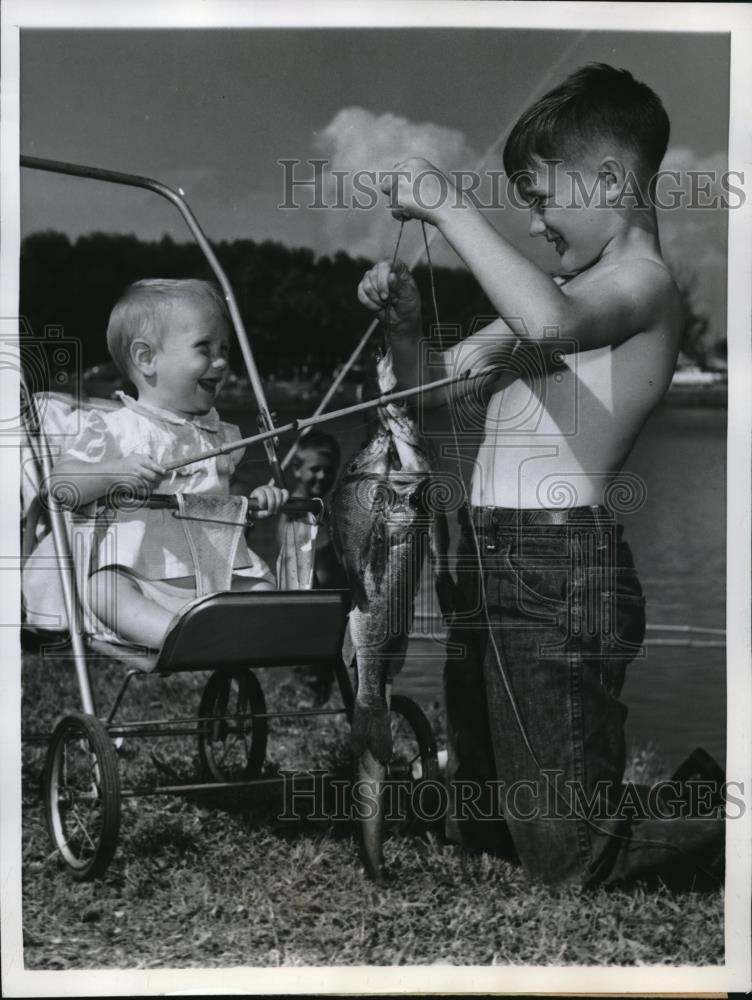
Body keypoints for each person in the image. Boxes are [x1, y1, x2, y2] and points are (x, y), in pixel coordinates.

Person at [356, 64, 724, 887]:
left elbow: (551, 325)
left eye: (541, 197)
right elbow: (439, 391)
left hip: (556, 569)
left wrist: (450, 207)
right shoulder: (559, 291)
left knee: (570, 861)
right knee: (486, 827)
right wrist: (408, 326)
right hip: (486, 563)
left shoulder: (644, 287)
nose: (532, 220)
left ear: (607, 181)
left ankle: (720, 813)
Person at [26, 279, 288, 650]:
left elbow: (233, 494)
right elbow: (59, 486)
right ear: (147, 358)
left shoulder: (220, 436)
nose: (222, 361)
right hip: (142, 577)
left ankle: (230, 636)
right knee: (103, 590)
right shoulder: (116, 430)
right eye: (205, 348)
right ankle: (183, 638)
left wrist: (259, 500)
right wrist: (114, 473)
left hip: (213, 573)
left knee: (264, 587)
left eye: (225, 349)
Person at [277, 429, 348, 702]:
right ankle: (305, 710)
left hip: (332, 613)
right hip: (311, 616)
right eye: (314, 469)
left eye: (329, 470)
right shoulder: (296, 509)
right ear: (296, 468)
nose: (322, 476)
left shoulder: (321, 508)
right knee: (309, 680)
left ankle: (319, 708)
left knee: (326, 680)